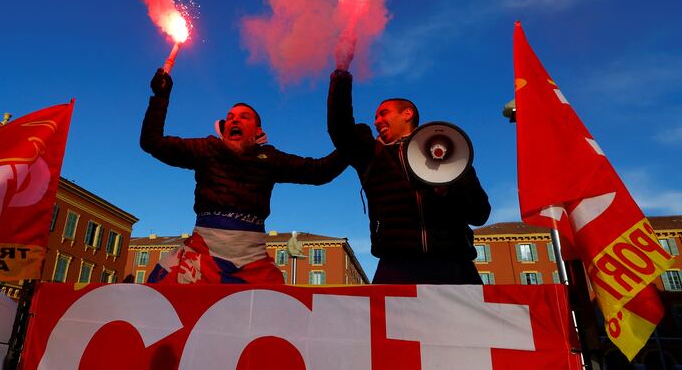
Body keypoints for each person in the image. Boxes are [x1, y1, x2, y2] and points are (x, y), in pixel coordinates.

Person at [141, 68, 346, 284]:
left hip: (252, 263)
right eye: (230, 118)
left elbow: (320, 171)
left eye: (243, 117)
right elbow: (152, 142)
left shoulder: (269, 157)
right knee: (162, 299)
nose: (234, 121)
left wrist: (352, 146)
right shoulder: (207, 148)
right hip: (200, 258)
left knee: (273, 309)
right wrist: (160, 97)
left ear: (258, 131)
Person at [327, 68, 490, 284]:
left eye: (383, 113)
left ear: (407, 114)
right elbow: (340, 128)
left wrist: (448, 190)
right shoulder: (370, 154)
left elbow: (480, 214)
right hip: (396, 264)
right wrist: (341, 75)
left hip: (454, 262)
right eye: (375, 117)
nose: (376, 121)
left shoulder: (450, 152)